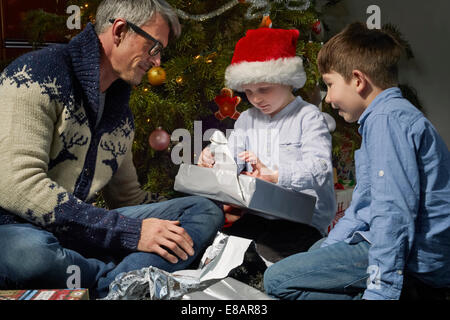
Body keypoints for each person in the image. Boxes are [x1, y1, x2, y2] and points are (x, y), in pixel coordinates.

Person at [0, 0, 224, 299]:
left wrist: (200, 195)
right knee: (30, 255)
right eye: (153, 47)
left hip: (74, 234)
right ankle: (118, 281)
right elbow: (16, 185)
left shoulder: (119, 114)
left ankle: (108, 282)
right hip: (13, 229)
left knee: (203, 209)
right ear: (120, 30)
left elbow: (129, 198)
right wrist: (130, 233)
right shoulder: (37, 76)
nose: (157, 62)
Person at [264, 22, 450, 300]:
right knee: (317, 250)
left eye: (329, 85)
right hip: (384, 240)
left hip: (417, 262)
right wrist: (329, 250)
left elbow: (393, 213)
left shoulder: (387, 121)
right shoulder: (383, 117)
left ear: (358, 80)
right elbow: (364, 207)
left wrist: (382, 291)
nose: (327, 99)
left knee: (277, 280)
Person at [198, 28, 336, 263]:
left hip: (302, 220)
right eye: (249, 92)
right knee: (221, 255)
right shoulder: (247, 119)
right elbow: (230, 159)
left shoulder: (308, 117)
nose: (256, 99)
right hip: (259, 214)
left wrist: (277, 175)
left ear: (287, 80)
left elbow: (320, 168)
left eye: (264, 89)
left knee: (263, 260)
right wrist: (213, 157)